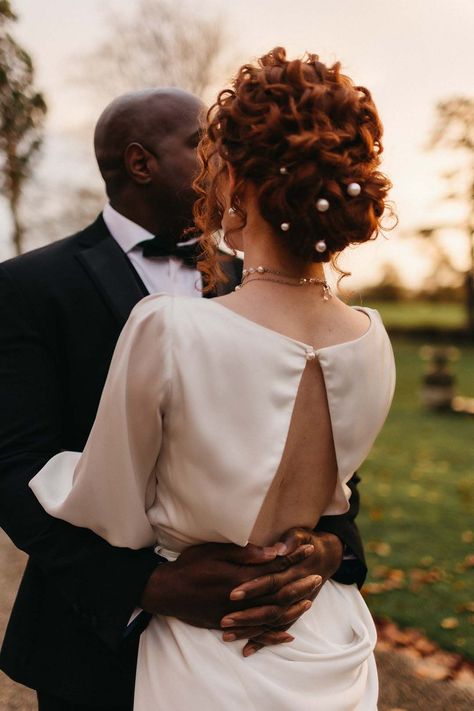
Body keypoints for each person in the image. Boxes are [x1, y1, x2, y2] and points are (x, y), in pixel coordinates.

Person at [0, 86, 366, 711]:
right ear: (141, 163)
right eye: (204, 144)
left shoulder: (264, 280)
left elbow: (325, 435)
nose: (227, 160)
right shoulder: (29, 286)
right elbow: (16, 465)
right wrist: (149, 585)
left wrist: (332, 547)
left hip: (257, 648)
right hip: (93, 639)